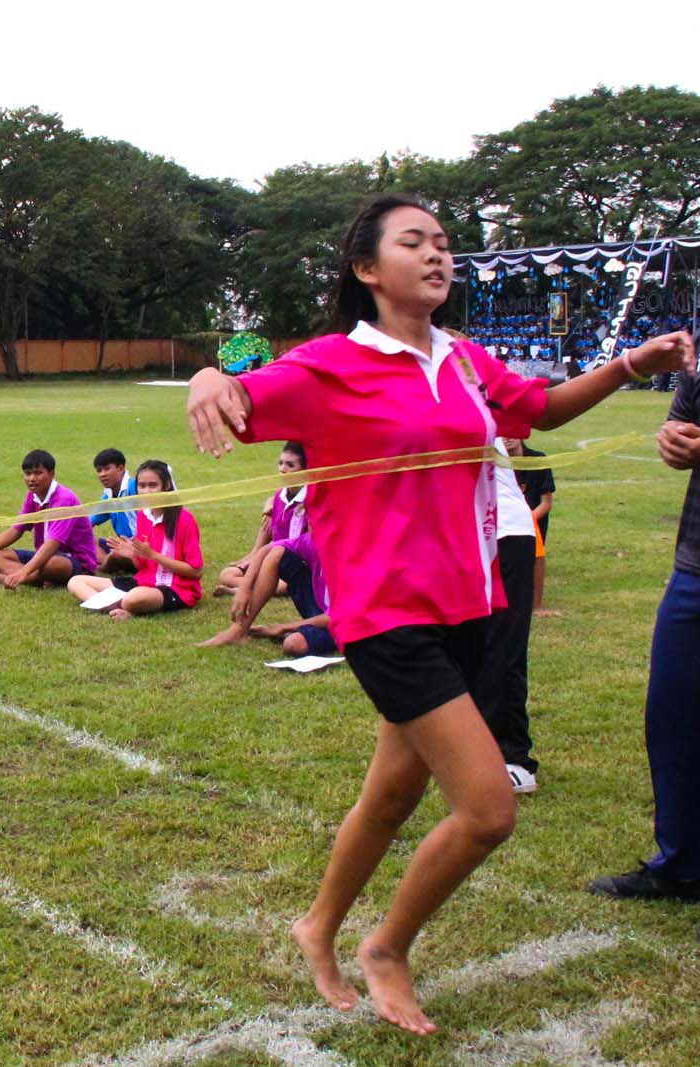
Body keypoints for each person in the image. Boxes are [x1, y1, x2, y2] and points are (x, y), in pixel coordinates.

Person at [185, 193, 695, 1035]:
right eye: (414, 242)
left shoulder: (463, 359)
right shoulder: (329, 365)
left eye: (445, 243)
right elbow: (239, 395)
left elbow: (537, 411)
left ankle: (317, 923)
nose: (436, 255)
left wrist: (628, 366)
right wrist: (209, 375)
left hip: (468, 603)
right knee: (489, 810)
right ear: (366, 268)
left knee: (391, 794)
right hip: (386, 615)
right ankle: (387, 946)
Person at [588, 368, 700, 910]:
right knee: (674, 715)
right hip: (695, 567)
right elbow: (681, 430)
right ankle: (683, 864)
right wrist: (675, 441)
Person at [473, 440, 541, 794]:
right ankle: (474, 751)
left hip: (502, 533)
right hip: (463, 534)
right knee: (465, 649)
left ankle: (513, 756)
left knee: (501, 648)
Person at [66, 459, 202, 617]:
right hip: (143, 582)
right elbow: (142, 567)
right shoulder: (143, 515)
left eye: (153, 485)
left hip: (177, 588)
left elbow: (196, 572)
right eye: (142, 486)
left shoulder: (184, 519)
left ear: (166, 486)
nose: (147, 491)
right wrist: (133, 555)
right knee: (76, 581)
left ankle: (121, 605)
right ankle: (114, 607)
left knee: (135, 598)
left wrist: (153, 555)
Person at [0, 449, 98, 590]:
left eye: (38, 473)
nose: (32, 478)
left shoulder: (65, 499)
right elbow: (16, 530)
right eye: (27, 473)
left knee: (50, 564)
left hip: (76, 561)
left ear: (51, 474)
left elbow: (53, 543)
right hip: (45, 556)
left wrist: (24, 571)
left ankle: (9, 578)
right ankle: (37, 578)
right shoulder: (33, 496)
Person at [199, 530, 334, 656]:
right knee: (277, 553)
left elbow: (338, 616)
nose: (310, 521)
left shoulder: (345, 550)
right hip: (321, 608)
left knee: (294, 644)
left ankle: (303, 631)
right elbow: (268, 549)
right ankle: (239, 630)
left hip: (340, 623)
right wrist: (244, 588)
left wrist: (282, 627)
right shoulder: (313, 539)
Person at [214, 443, 308, 596]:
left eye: (290, 465)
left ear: (305, 469)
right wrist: (256, 555)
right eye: (280, 463)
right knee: (226, 574)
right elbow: (269, 528)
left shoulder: (309, 501)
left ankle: (241, 589)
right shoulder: (279, 496)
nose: (282, 469)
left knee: (284, 586)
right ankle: (254, 582)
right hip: (270, 559)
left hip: (294, 564)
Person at [513, 440, 555, 611]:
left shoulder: (538, 460)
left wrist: (525, 520)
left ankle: (536, 605)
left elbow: (546, 503)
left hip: (530, 521)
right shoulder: (493, 460)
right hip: (501, 520)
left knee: (536, 556)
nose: (507, 438)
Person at [90, 448, 138, 573]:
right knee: (87, 541)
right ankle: (112, 564)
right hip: (122, 546)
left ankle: (103, 568)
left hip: (141, 547)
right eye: (99, 470)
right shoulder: (108, 496)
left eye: (107, 469)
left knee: (116, 556)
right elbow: (87, 523)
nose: (102, 474)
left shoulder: (134, 487)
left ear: (120, 468)